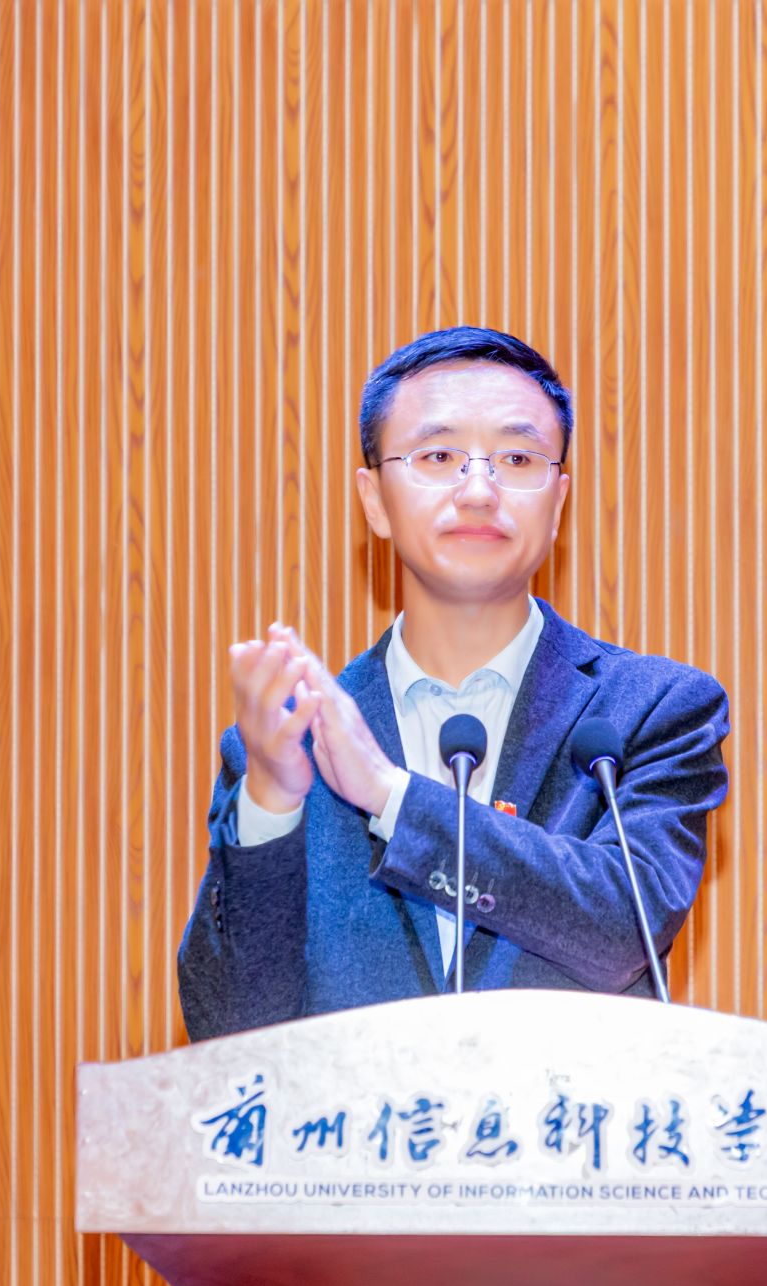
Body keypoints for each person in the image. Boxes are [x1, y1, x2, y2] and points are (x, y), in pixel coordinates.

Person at [176, 326, 730, 1041]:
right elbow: (228, 1032)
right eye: (438, 456)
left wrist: (392, 795)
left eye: (517, 458)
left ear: (559, 501)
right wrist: (269, 810)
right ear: (374, 500)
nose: (477, 491)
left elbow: (625, 928)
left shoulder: (650, 711)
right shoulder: (287, 744)